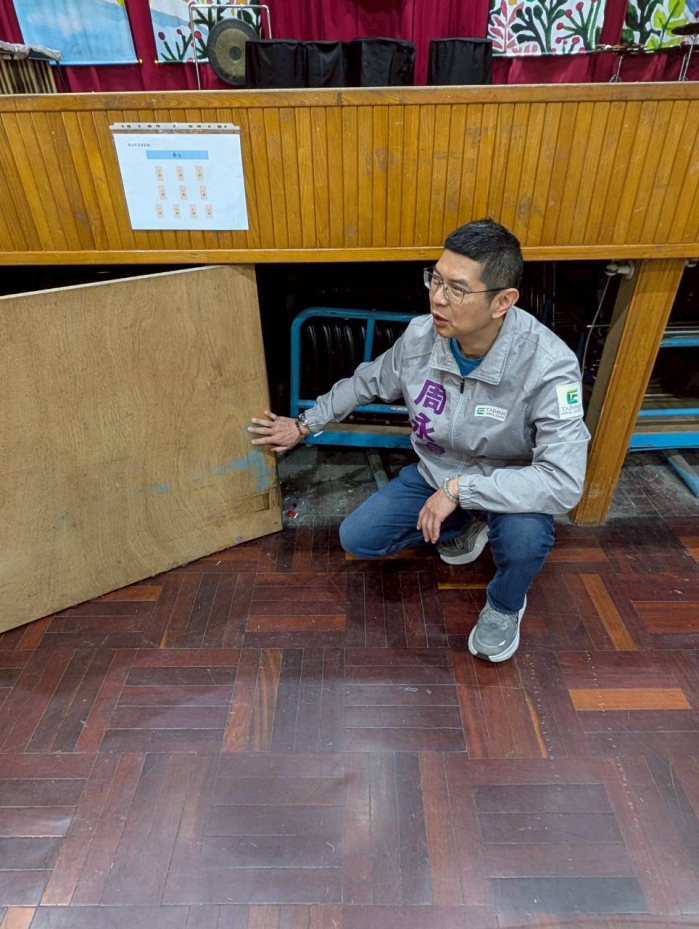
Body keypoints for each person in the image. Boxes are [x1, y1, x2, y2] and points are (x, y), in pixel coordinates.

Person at [248, 219, 590, 663]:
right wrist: (304, 424)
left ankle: (505, 606)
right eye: (436, 279)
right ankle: (467, 523)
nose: (438, 298)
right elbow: (368, 381)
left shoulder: (549, 365)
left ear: (503, 301)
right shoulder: (421, 336)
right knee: (358, 538)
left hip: (509, 486)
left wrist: (461, 490)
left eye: (457, 289)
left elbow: (563, 481)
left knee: (526, 538)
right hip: (437, 473)